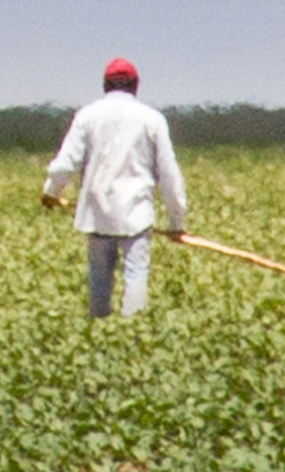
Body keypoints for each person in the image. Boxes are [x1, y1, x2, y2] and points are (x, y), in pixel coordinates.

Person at [39, 55, 185, 317]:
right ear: (135, 86)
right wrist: (177, 221)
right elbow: (169, 173)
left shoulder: (87, 116)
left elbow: (65, 163)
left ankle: (98, 329)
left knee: (99, 277)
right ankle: (132, 332)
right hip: (136, 214)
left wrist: (51, 192)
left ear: (105, 85)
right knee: (136, 274)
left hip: (97, 213)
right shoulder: (152, 119)